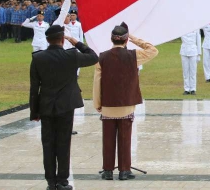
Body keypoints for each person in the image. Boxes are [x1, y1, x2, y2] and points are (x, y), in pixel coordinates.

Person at [30, 25, 98, 190]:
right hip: (66, 106)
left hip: (46, 106)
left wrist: (34, 112)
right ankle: (62, 180)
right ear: (62, 39)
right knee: (63, 143)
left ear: (47, 40)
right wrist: (76, 42)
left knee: (48, 144)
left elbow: (34, 88)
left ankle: (51, 182)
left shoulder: (38, 58)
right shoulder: (71, 55)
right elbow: (94, 57)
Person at [93, 23, 158, 181]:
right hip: (127, 103)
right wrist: (134, 38)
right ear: (126, 40)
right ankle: (124, 170)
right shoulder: (134, 55)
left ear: (111, 39)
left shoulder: (101, 57)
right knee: (125, 138)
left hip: (108, 104)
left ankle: (108, 170)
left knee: (107, 139)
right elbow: (153, 50)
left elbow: (97, 83)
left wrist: (97, 103)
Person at [180, 29, 201, 95]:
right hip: (184, 51)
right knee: (185, 71)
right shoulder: (182, 28)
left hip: (193, 51)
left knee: (193, 71)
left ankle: (193, 89)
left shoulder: (196, 28)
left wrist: (199, 54)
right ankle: (186, 89)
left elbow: (198, 41)